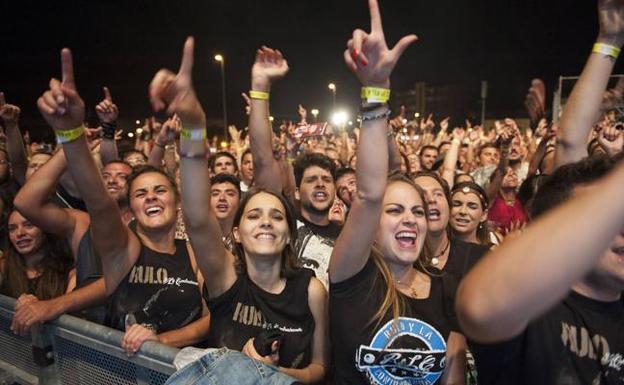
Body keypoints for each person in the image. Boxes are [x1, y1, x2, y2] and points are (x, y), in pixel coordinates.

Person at [457, 3, 624, 383]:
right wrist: (608, 42)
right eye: (605, 217)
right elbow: (479, 306)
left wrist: (612, 41)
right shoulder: (534, 308)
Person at [156, 38, 327, 383]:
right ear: (235, 233)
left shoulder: (311, 290)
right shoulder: (224, 281)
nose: (266, 221)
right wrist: (193, 125)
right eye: (253, 215)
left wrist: (276, 373)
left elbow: (320, 368)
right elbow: (197, 218)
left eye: (277, 216)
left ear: (288, 235)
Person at [35, 46, 209, 355]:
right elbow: (99, 200)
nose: (152, 197)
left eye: (160, 190)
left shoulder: (193, 251)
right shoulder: (124, 246)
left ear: (177, 201)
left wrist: (162, 343)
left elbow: (209, 319)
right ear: (132, 207)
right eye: (141, 193)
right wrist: (71, 134)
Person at [330, 2, 465, 384]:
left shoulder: (444, 290)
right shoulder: (351, 276)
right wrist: (375, 94)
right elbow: (369, 194)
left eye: (418, 212)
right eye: (395, 211)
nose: (410, 219)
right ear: (371, 226)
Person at [246, 47, 340, 288]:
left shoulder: (346, 234)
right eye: (311, 180)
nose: (320, 183)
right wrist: (260, 88)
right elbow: (263, 158)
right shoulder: (286, 221)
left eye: (326, 179)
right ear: (297, 190)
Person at [209, 172, 241, 250]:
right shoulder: (198, 238)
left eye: (230, 194)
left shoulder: (246, 238)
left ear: (240, 200)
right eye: (215, 194)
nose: (222, 198)